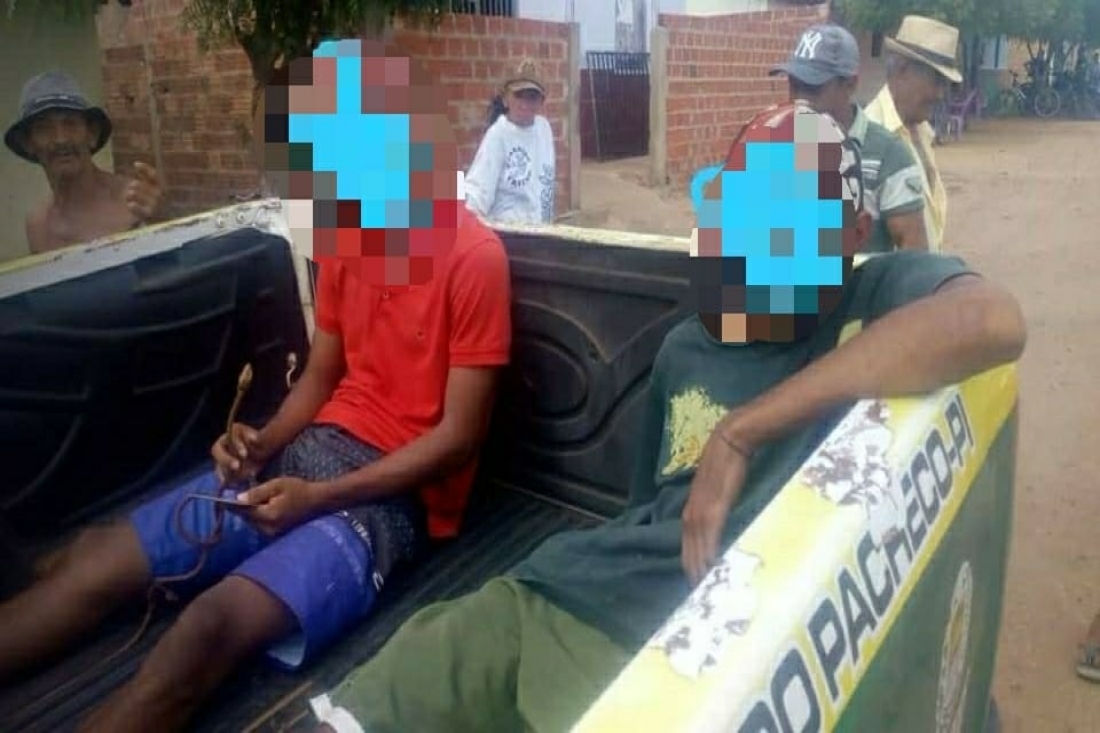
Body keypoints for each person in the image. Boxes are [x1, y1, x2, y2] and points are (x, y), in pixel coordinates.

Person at [304, 101, 1027, 733]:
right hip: (562, 590)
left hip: (692, 653)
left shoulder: (873, 301)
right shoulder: (687, 346)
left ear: (853, 232)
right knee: (387, 691)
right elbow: (643, 513)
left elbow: (992, 320)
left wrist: (742, 430)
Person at [0, 42, 513, 733]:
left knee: (205, 630)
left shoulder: (474, 257)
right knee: (97, 563)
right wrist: (263, 442)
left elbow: (458, 439)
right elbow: (323, 376)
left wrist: (320, 498)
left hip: (390, 499)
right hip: (308, 456)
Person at [771, 23, 929, 253]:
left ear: (850, 85)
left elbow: (914, 257)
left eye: (813, 88)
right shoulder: (776, 145)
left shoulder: (888, 155)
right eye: (795, 86)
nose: (799, 101)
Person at [4, 71, 164, 256]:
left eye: (70, 124)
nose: (61, 139)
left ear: (92, 134)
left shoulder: (134, 202)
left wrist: (160, 221)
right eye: (44, 128)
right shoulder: (37, 226)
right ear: (29, 144)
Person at [864, 15, 963, 253]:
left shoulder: (921, 132)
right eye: (935, 81)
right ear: (902, 69)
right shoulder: (869, 138)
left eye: (944, 84)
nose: (940, 94)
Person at [463, 59, 557, 225]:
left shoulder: (544, 129)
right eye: (519, 95)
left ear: (541, 101)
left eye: (532, 97)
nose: (525, 104)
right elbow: (477, 192)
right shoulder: (498, 136)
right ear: (505, 99)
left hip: (541, 231)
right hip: (509, 233)